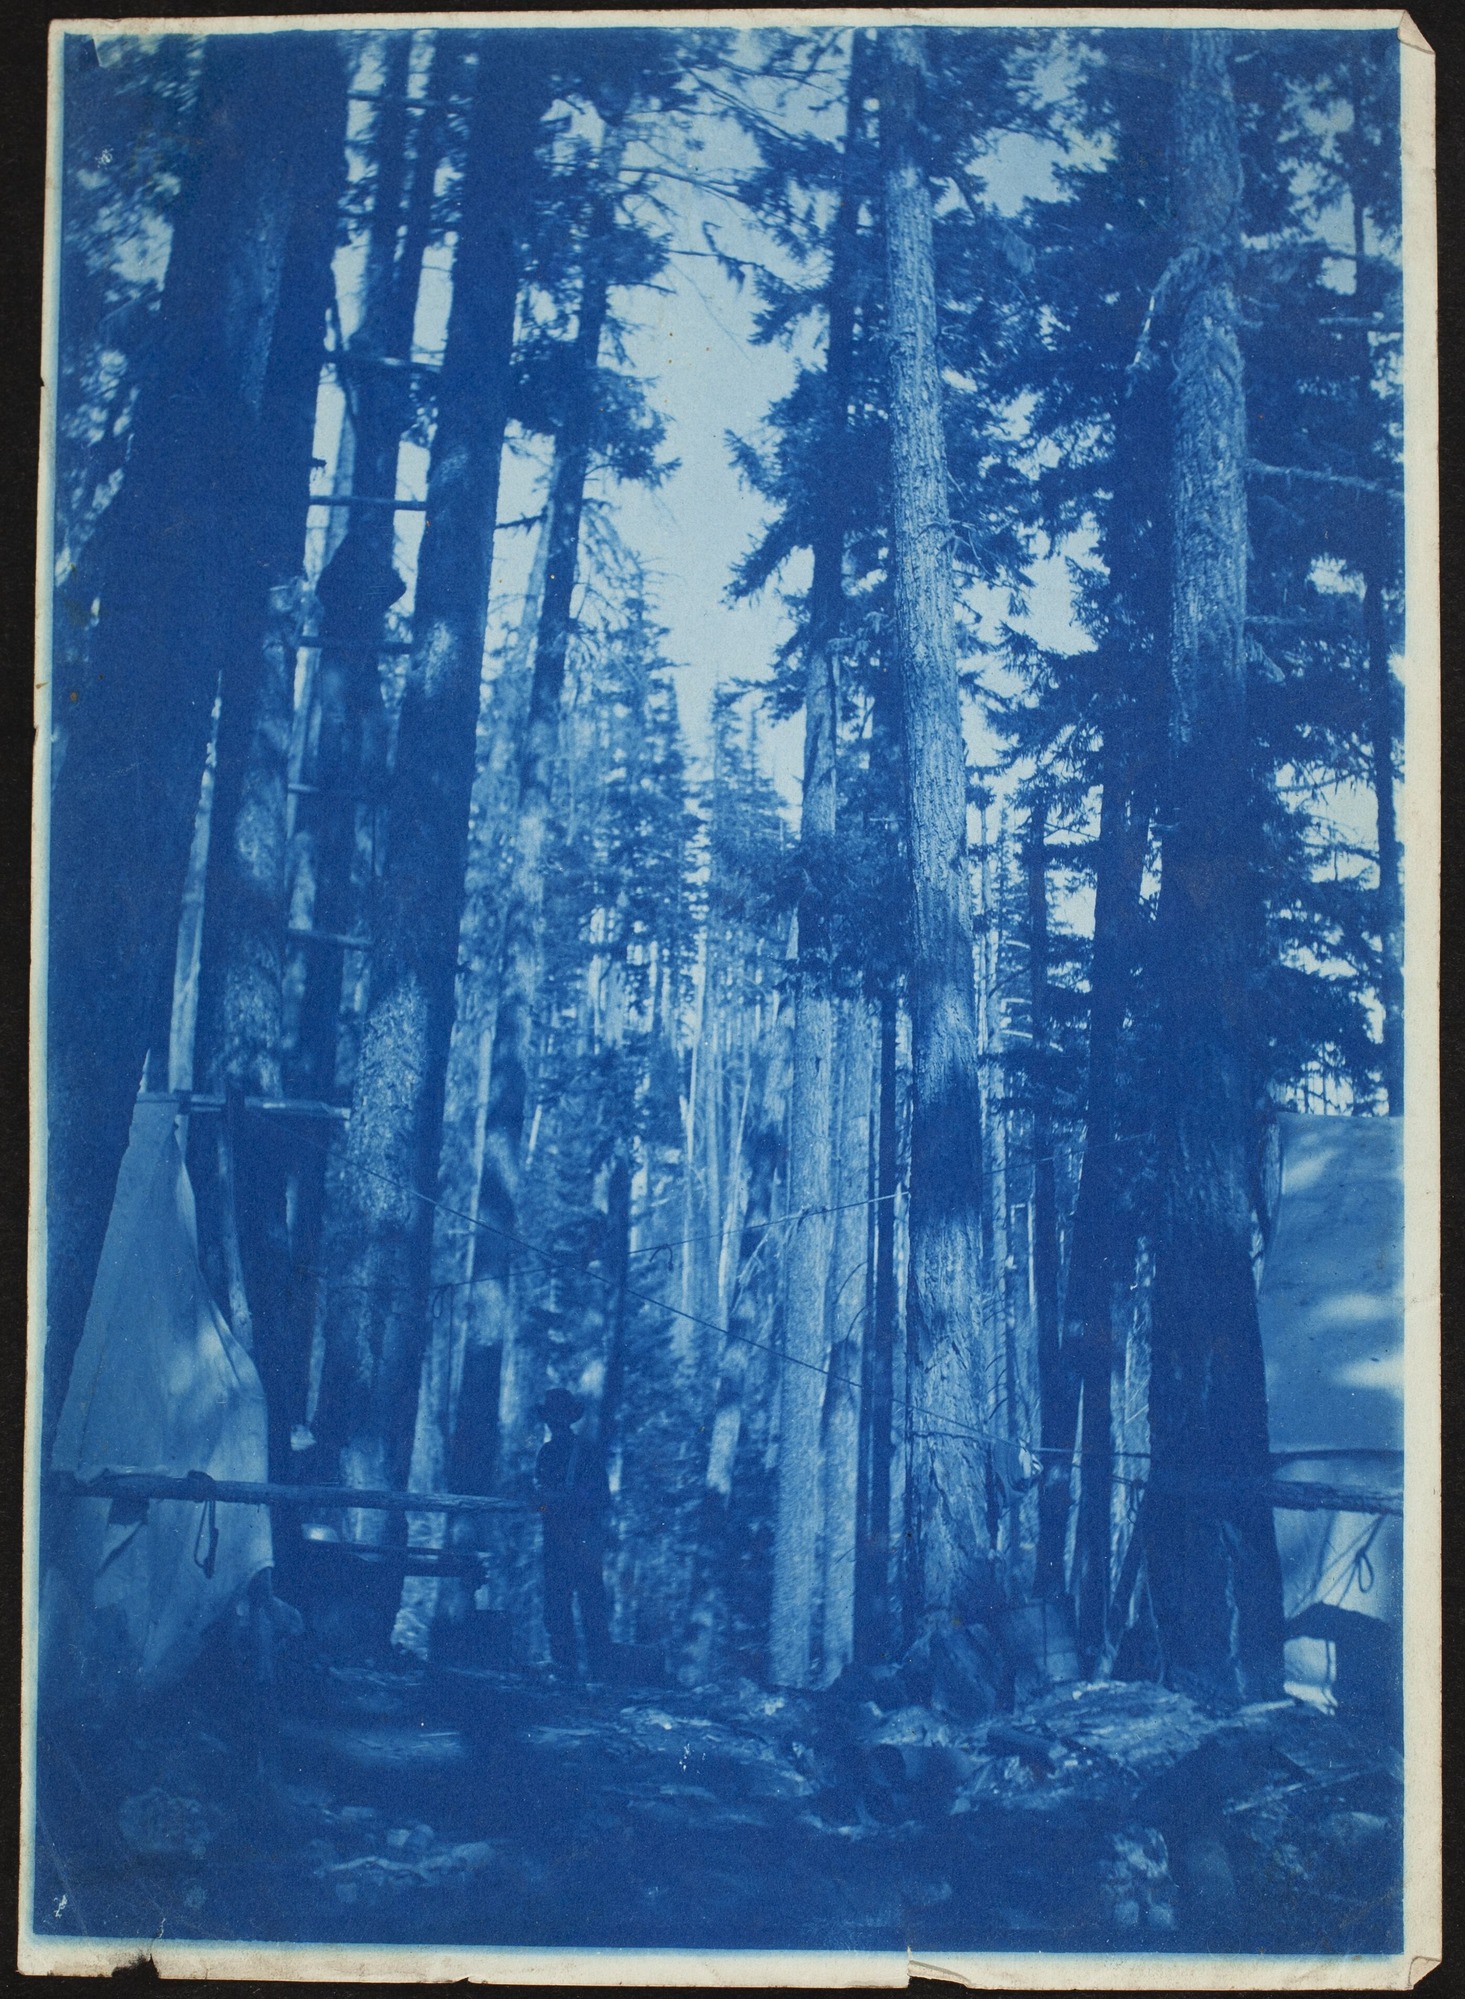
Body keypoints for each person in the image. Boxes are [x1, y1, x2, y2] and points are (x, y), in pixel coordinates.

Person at [534, 1387, 613, 1681]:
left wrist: (562, 1500)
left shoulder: (587, 1451)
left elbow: (601, 1497)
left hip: (583, 1538)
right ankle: (566, 1671)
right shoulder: (546, 1453)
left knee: (591, 1605)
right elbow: (541, 1500)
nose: (554, 1423)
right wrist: (542, 1502)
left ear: (568, 1418)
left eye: (559, 1417)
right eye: (550, 1417)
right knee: (556, 1607)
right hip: (556, 1537)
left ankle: (600, 1675)